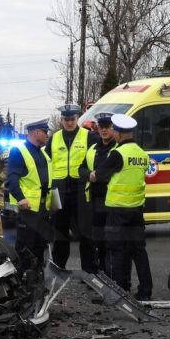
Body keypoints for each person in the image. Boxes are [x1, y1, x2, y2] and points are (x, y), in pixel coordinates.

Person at [90, 113, 152, 300]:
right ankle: (145, 291)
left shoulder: (118, 154)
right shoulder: (142, 153)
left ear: (118, 133)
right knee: (139, 251)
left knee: (115, 251)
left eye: (114, 130)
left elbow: (99, 176)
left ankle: (116, 293)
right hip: (136, 210)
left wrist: (92, 174)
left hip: (117, 210)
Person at [46, 104, 98, 272]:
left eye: (72, 119)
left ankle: (89, 271)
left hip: (80, 190)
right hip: (57, 191)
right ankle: (59, 268)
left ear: (77, 118)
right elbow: (45, 162)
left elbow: (99, 157)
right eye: (66, 119)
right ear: (61, 120)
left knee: (85, 232)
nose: (69, 122)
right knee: (59, 233)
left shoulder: (89, 136)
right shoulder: (54, 138)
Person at [6, 119, 52, 270]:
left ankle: (36, 280)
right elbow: (12, 179)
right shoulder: (19, 151)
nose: (47, 135)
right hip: (29, 209)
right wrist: (21, 198)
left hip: (43, 208)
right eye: (45, 132)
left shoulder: (43, 153)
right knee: (26, 247)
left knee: (40, 246)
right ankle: (22, 281)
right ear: (37, 132)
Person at [78, 112, 117, 274]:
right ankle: (101, 273)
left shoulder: (118, 148)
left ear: (113, 128)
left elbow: (112, 170)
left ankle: (112, 275)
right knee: (98, 240)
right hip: (95, 199)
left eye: (107, 127)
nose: (104, 130)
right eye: (101, 127)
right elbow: (81, 169)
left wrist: (97, 175)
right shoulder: (93, 148)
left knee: (111, 242)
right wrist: (89, 175)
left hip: (112, 200)